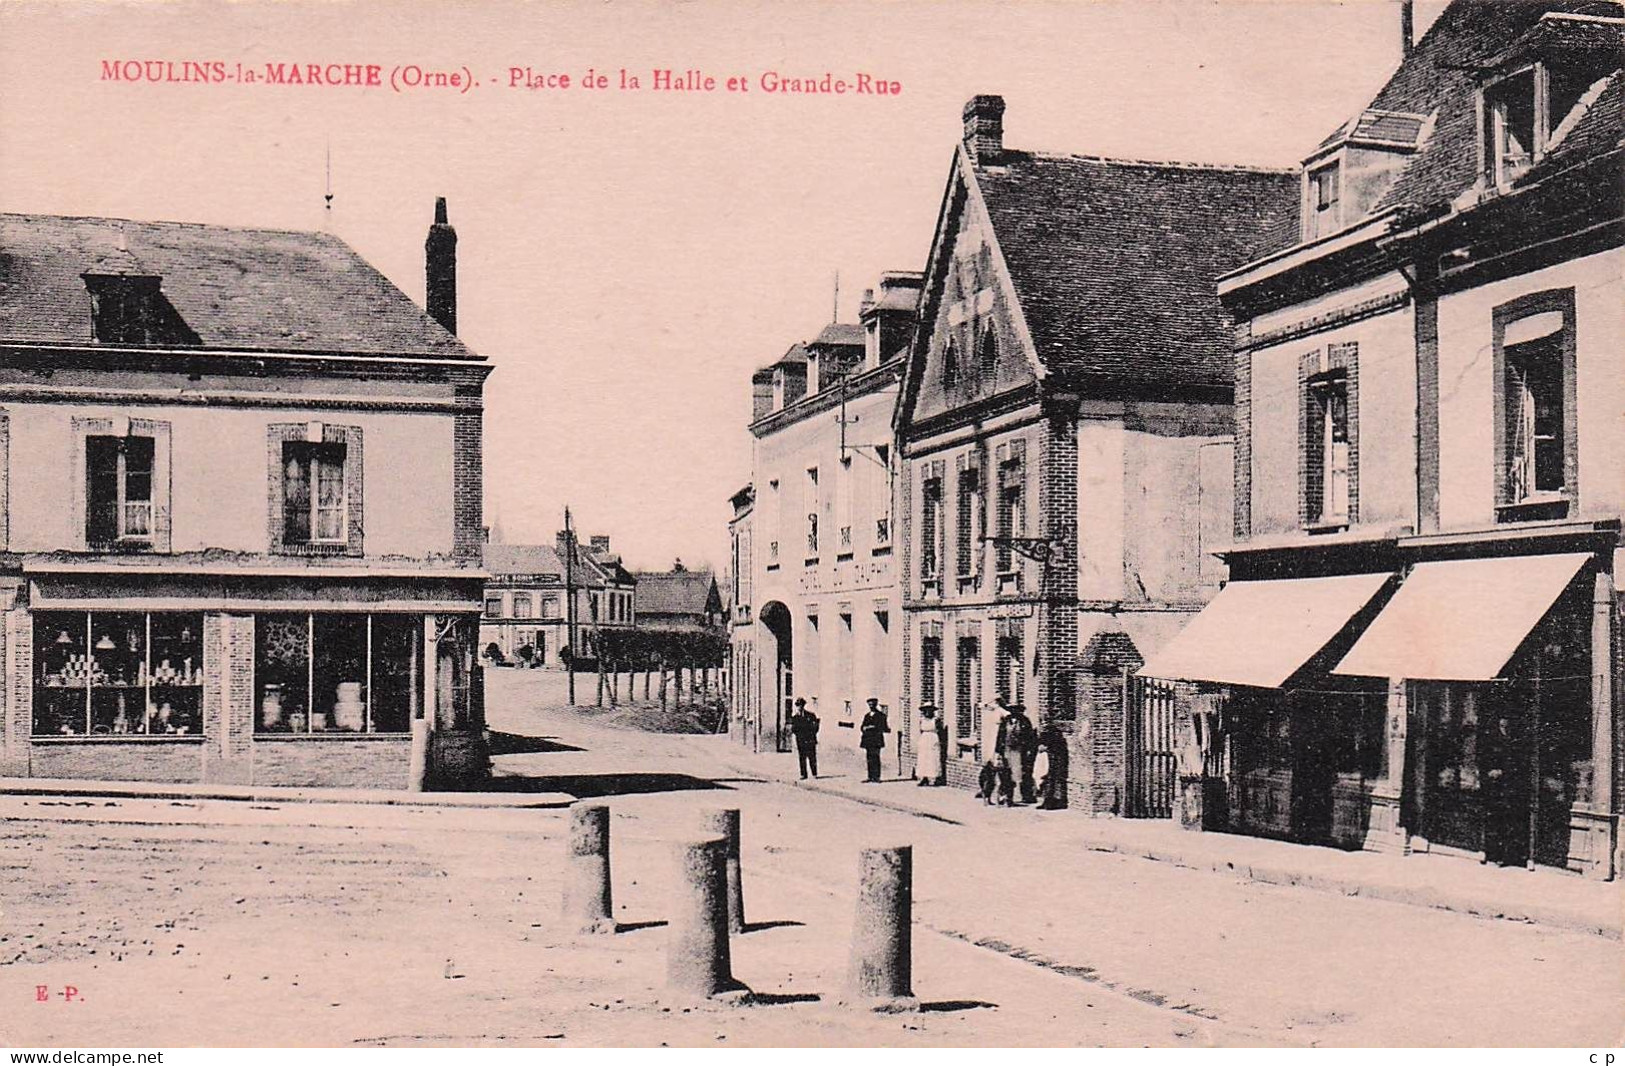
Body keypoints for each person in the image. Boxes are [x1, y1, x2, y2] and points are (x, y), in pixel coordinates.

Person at [859, 697, 890, 783]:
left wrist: (873, 727)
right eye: (869, 705)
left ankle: (876, 777)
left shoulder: (881, 715)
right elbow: (862, 726)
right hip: (868, 739)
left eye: (873, 704)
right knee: (869, 757)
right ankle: (870, 776)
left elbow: (883, 727)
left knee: (876, 757)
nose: (871, 706)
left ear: (876, 705)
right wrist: (864, 728)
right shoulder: (867, 715)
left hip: (876, 740)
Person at [789, 698, 820, 780]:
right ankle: (803, 774)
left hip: (810, 739)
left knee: (812, 757)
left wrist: (812, 733)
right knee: (802, 757)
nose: (800, 707)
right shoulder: (795, 718)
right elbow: (793, 729)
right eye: (798, 706)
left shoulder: (810, 715)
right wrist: (799, 734)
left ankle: (814, 773)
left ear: (804, 706)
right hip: (801, 740)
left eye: (801, 705)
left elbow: (816, 726)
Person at [916, 705, 946, 787]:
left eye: (930, 710)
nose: (928, 712)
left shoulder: (936, 720)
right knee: (923, 758)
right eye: (926, 710)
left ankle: (933, 778)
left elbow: (940, 730)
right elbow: (921, 730)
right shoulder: (922, 720)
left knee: (933, 758)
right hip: (924, 739)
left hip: (933, 738)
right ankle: (923, 777)